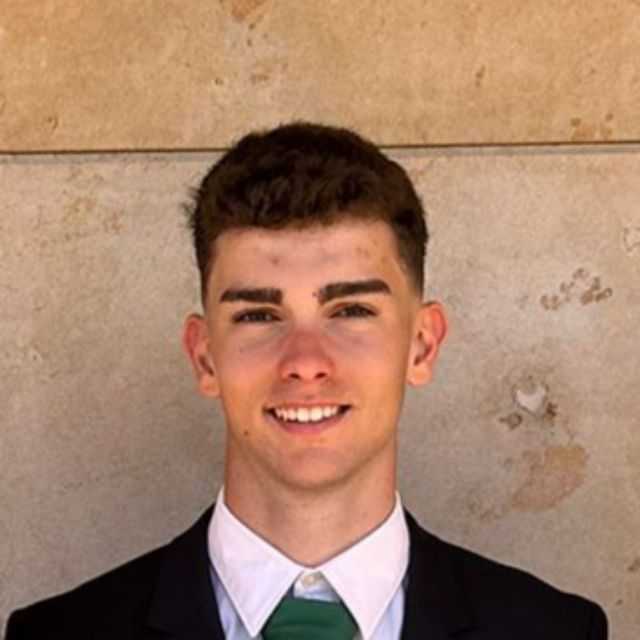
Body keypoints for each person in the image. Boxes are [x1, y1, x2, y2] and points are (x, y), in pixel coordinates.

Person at [5, 122, 607, 639]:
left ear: (422, 345)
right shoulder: (56, 635)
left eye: (351, 311)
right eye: (258, 316)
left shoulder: (555, 632)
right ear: (205, 357)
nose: (305, 361)